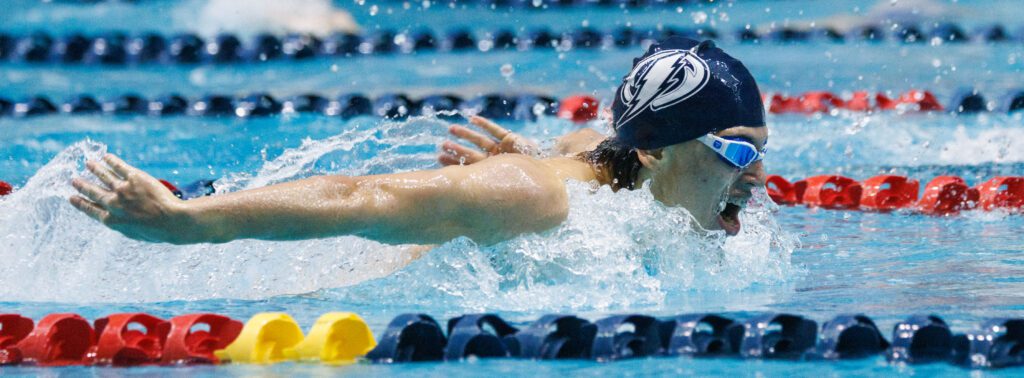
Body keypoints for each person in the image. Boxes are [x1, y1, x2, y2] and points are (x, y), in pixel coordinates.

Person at [69, 37, 769, 246]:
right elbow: (358, 196)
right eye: (737, 154)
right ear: (656, 149)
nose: (758, 178)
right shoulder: (532, 196)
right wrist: (186, 223)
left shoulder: (603, 162)